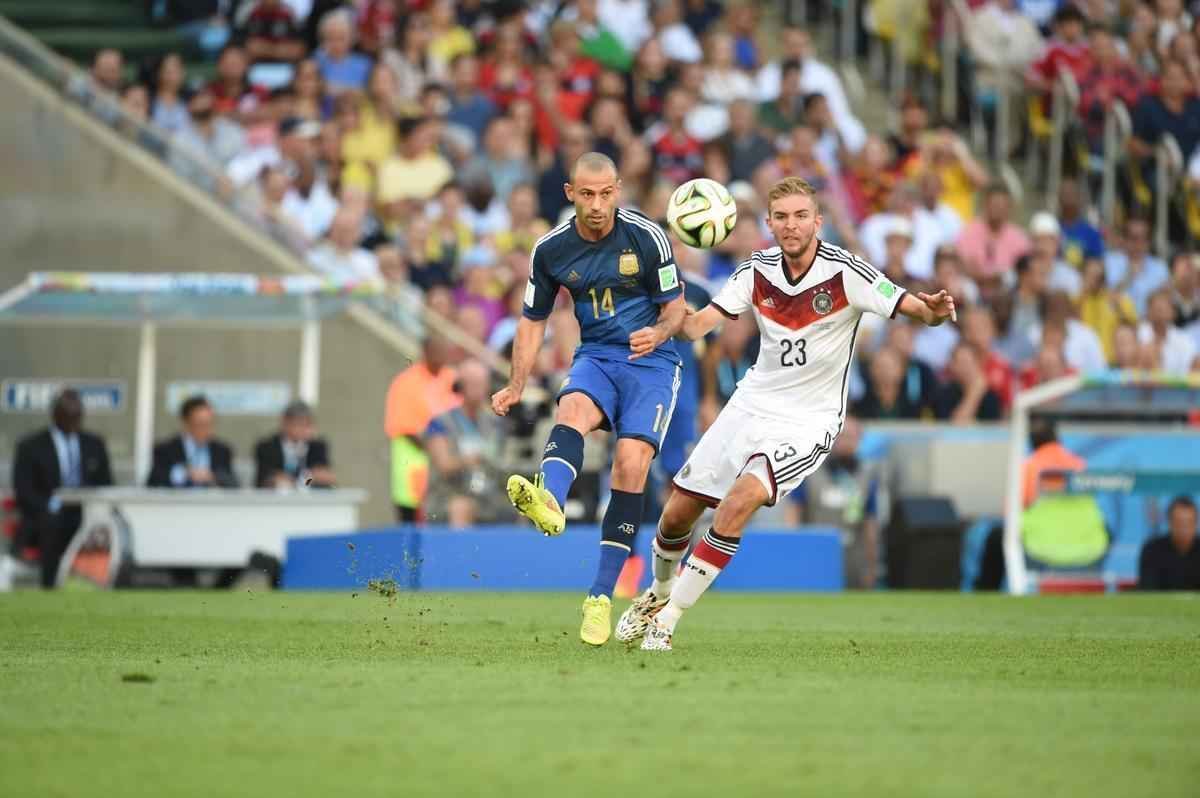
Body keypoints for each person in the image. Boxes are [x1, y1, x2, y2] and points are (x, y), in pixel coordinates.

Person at [618, 176, 957, 651]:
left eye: (801, 216)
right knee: (677, 513)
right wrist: (663, 318)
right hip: (752, 402)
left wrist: (935, 310)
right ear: (769, 224)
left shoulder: (846, 272)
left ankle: (668, 620)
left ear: (818, 221)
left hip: (809, 419)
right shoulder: (756, 270)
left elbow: (909, 305)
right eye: (781, 217)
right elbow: (697, 326)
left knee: (740, 502)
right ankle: (656, 592)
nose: (791, 225)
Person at [490, 151, 687, 646]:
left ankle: (599, 599)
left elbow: (677, 310)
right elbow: (532, 320)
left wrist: (660, 333)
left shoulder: (647, 237)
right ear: (570, 194)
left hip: (651, 364)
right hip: (597, 354)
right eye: (587, 194)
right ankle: (550, 500)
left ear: (617, 190)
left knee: (630, 463)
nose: (597, 205)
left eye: (605, 194)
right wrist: (516, 383)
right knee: (570, 409)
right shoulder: (551, 250)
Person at [11, 390, 113, 588]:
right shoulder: (31, 446)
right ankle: (50, 585)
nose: (73, 419)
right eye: (68, 414)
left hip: (86, 512)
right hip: (47, 513)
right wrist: (50, 505)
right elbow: (23, 490)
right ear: (55, 414)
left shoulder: (94, 444)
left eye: (77, 414)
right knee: (51, 522)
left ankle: (97, 584)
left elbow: (106, 483)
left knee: (101, 527)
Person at [784, 416, 880, 589]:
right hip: (815, 554)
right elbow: (793, 514)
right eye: (841, 436)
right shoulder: (809, 471)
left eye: (850, 437)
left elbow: (870, 524)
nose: (845, 442)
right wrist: (794, 554)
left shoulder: (867, 476)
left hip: (853, 556)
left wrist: (871, 566)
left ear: (860, 440)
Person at [424, 359, 510, 527]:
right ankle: (460, 553)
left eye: (482, 384)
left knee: (523, 506)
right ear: (461, 386)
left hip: (488, 494)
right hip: (450, 493)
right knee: (462, 507)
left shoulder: (494, 423)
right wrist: (468, 461)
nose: (479, 390)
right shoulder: (441, 422)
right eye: (474, 384)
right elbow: (444, 465)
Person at [384, 335, 461, 522]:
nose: (440, 355)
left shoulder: (452, 379)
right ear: (425, 352)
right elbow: (403, 425)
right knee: (412, 519)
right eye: (435, 350)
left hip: (447, 461)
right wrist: (437, 451)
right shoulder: (406, 382)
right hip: (414, 460)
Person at [147, 395, 239, 488]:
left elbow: (233, 483)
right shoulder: (165, 450)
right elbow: (153, 481)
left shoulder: (222, 451)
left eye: (210, 424)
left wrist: (212, 476)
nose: (207, 430)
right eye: (201, 424)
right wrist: (184, 474)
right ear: (186, 423)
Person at [254, 401, 335, 488]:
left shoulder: (318, 447)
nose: (305, 429)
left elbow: (320, 477)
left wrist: (304, 481)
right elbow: (264, 479)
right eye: (300, 424)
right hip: (275, 498)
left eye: (308, 424)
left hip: (311, 497)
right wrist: (307, 478)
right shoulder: (267, 447)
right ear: (285, 423)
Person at [1138, 496, 1200, 590]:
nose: (1184, 529)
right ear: (1169, 522)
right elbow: (1147, 590)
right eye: (1179, 523)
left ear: (1196, 523)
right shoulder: (1152, 550)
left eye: (1189, 523)